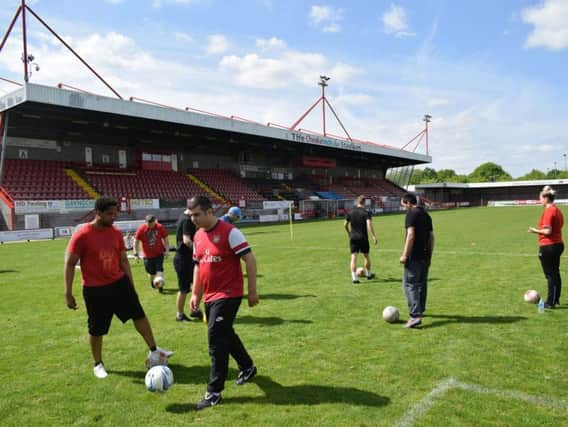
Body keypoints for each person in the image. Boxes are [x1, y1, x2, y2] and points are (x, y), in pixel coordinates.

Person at [64, 197, 173, 379]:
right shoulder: (82, 234)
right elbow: (69, 264)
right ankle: (98, 363)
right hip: (95, 289)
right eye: (110, 214)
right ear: (98, 213)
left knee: (139, 315)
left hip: (119, 283)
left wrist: (130, 285)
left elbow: (123, 260)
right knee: (96, 328)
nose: (114, 217)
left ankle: (154, 349)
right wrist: (68, 292)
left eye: (116, 213)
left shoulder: (115, 233)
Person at [188, 195, 259, 410]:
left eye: (197, 215)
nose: (194, 219)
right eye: (191, 215)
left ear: (210, 212)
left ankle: (214, 392)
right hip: (210, 295)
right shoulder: (198, 235)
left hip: (229, 293)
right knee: (225, 332)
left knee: (216, 339)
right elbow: (198, 266)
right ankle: (247, 367)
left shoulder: (230, 232)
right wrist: (195, 294)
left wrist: (252, 291)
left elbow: (250, 259)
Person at [399, 193, 434, 328]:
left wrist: (405, 255)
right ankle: (420, 310)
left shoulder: (411, 214)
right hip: (425, 256)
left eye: (403, 205)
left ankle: (415, 316)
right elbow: (432, 237)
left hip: (414, 256)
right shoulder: (426, 215)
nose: (404, 208)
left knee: (409, 285)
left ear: (408, 203)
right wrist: (430, 255)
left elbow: (411, 235)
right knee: (421, 284)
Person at [528, 185, 564, 308]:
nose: (539, 200)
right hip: (557, 244)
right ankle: (555, 298)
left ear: (546, 198)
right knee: (555, 273)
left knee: (550, 275)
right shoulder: (557, 210)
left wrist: (535, 230)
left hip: (549, 245)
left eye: (540, 198)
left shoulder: (549, 211)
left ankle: (550, 302)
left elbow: (548, 231)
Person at [173, 207, 203, 322]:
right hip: (184, 259)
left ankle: (194, 309)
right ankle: (180, 315)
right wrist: (198, 251)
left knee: (198, 285)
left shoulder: (184, 217)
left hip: (186, 258)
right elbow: (186, 240)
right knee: (184, 289)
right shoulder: (186, 220)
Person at [344, 195, 378, 284]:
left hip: (353, 238)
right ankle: (369, 275)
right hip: (363, 237)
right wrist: (374, 236)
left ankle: (354, 279)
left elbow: (345, 225)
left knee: (353, 257)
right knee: (366, 256)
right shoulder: (366, 212)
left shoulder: (350, 212)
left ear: (357, 202)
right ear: (364, 202)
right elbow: (369, 225)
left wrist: (349, 233)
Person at [133, 215, 170, 293]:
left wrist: (167, 250)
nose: (151, 226)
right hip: (147, 256)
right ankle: (153, 284)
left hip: (159, 254)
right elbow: (136, 241)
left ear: (155, 221)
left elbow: (166, 238)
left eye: (152, 224)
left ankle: (160, 286)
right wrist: (135, 253)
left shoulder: (160, 227)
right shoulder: (141, 229)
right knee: (151, 273)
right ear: (145, 222)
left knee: (159, 269)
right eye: (149, 224)